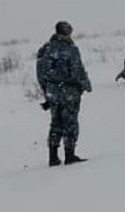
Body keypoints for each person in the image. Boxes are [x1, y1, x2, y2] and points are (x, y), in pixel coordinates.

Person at [36, 21, 92, 166]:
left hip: (52, 91)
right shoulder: (70, 49)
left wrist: (46, 92)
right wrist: (85, 85)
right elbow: (77, 70)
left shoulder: (45, 49)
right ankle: (70, 155)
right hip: (69, 91)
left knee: (55, 123)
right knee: (70, 123)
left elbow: (40, 73)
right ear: (67, 32)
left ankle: (53, 157)